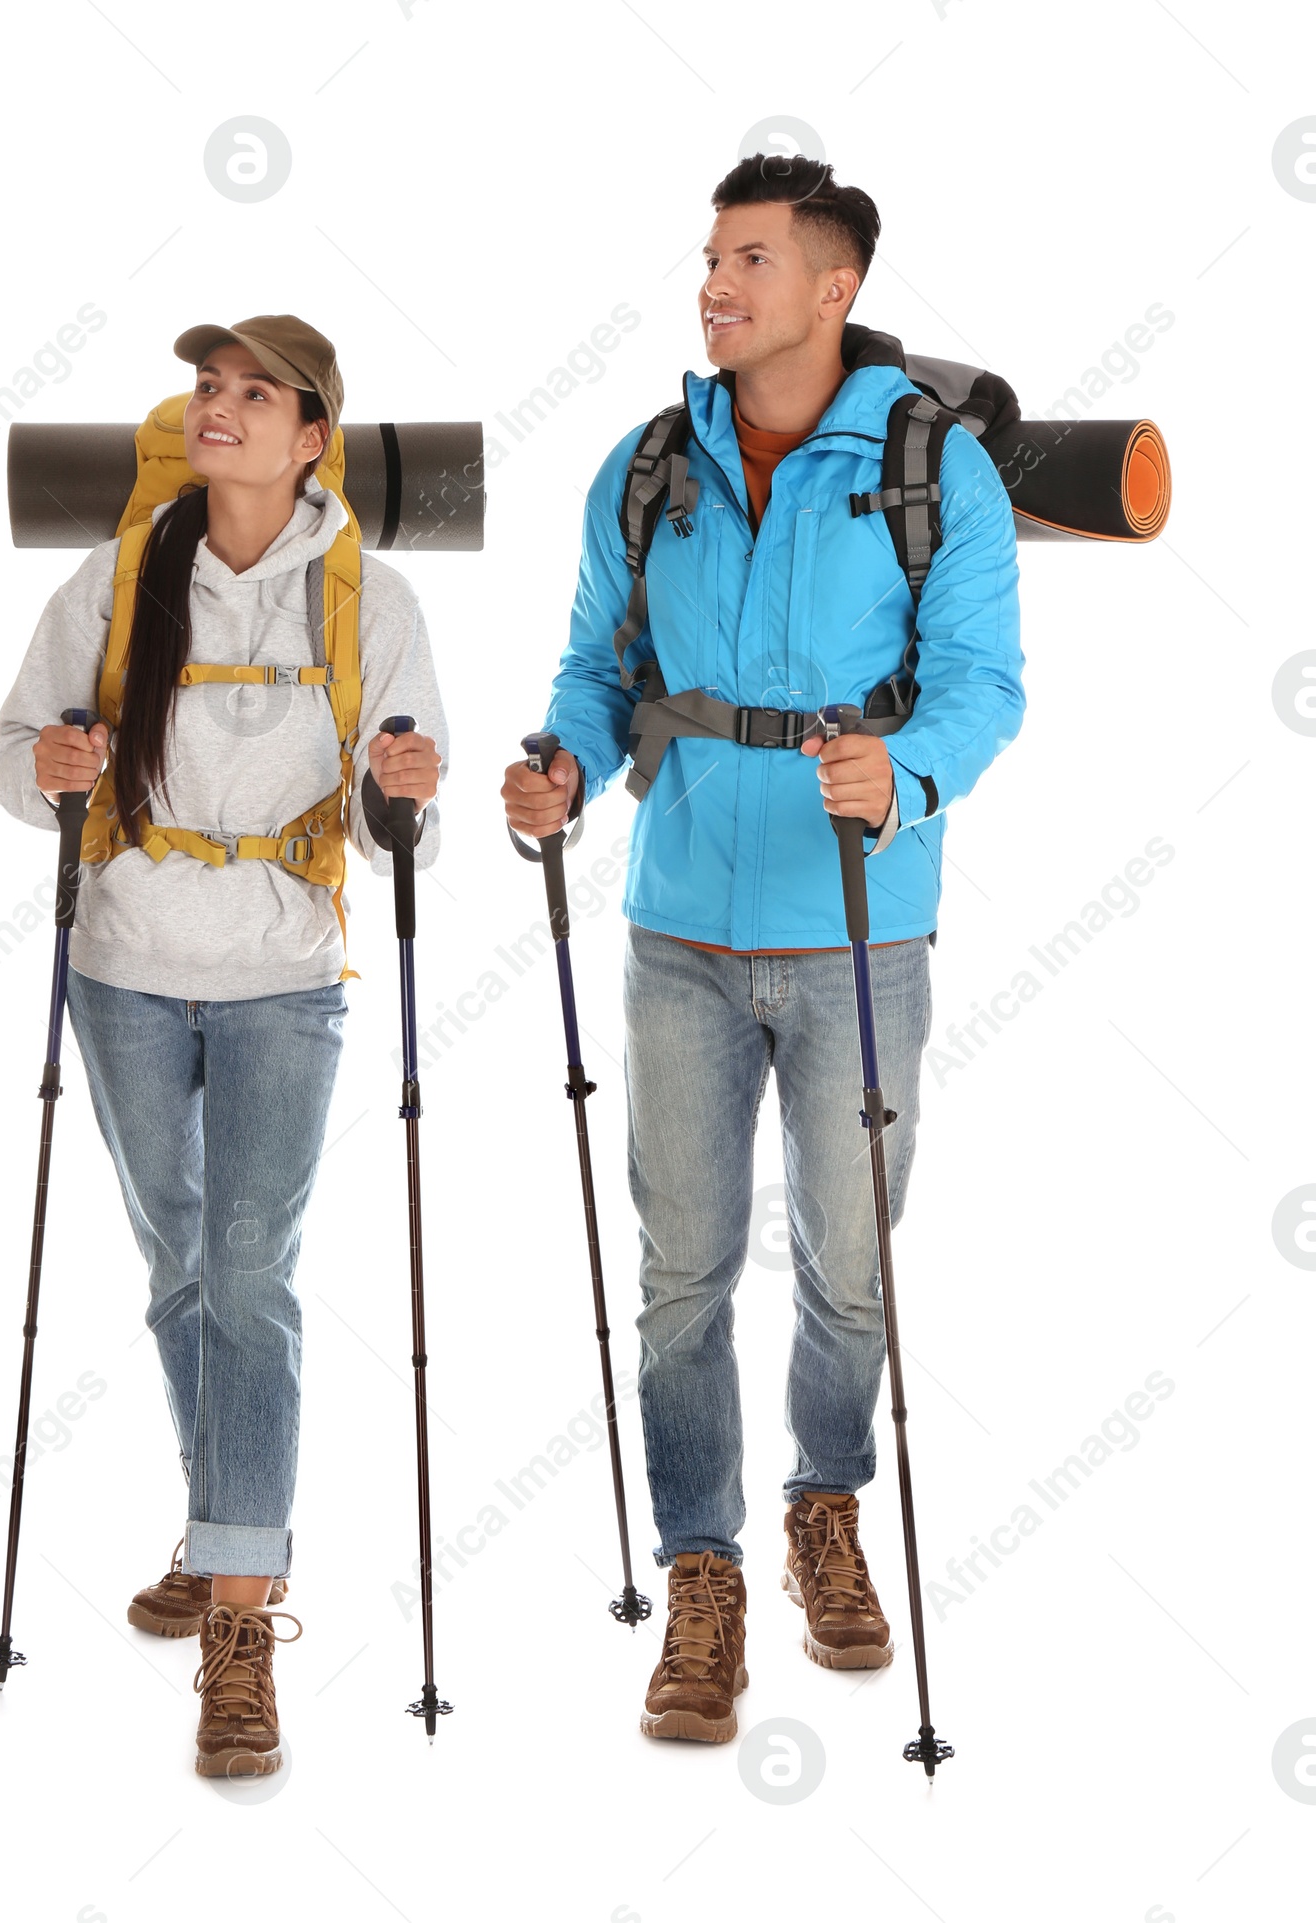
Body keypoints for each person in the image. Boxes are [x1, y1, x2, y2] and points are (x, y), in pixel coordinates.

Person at [502, 157, 1023, 1743]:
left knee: (850, 1268)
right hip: (676, 932)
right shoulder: (649, 464)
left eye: (748, 258)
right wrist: (566, 765)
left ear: (832, 288)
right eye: (710, 256)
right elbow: (600, 663)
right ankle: (704, 1571)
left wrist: (906, 771)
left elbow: (982, 686)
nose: (715, 283)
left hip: (863, 929)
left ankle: (827, 1508)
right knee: (680, 1276)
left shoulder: (934, 467)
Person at [0, 314, 447, 1775]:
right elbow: (16, 757)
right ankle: (222, 1524)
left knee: (250, 1277)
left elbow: (398, 819)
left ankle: (241, 1624)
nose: (222, 410)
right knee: (179, 1270)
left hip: (279, 978)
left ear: (314, 437)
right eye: (208, 389)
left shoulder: (366, 601)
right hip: (121, 968)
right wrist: (50, 771)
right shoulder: (120, 576)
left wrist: (406, 789)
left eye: (257, 394)